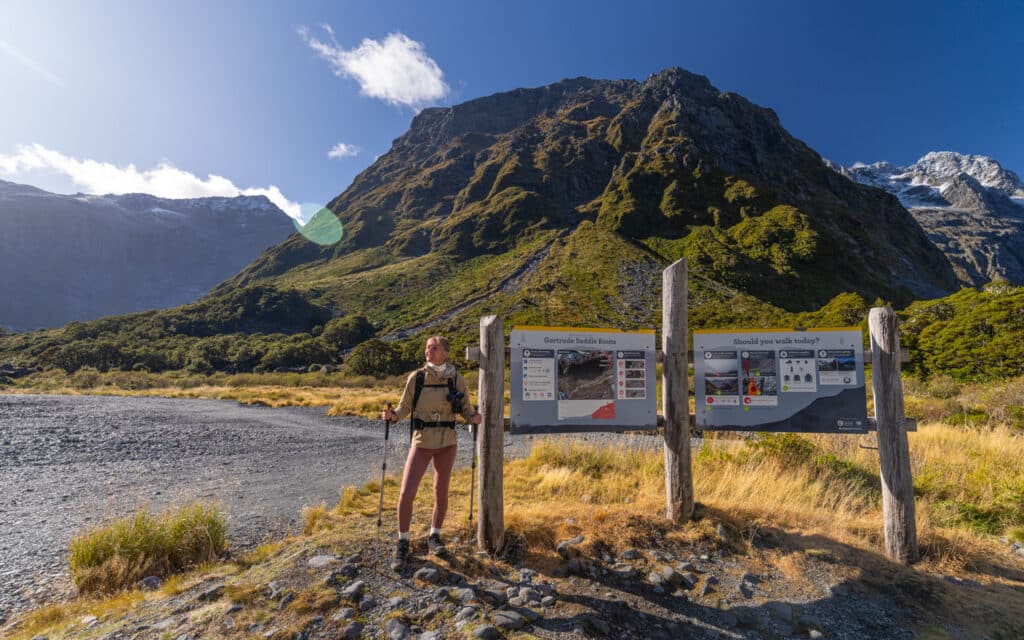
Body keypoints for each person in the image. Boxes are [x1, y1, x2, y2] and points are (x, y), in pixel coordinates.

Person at [381, 336, 481, 569]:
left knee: (440, 491)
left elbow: (465, 408)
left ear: (445, 353)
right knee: (406, 492)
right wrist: (393, 416)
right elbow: (404, 407)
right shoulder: (416, 378)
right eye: (427, 347)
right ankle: (403, 541)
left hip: (447, 442)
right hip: (422, 441)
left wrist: (473, 417)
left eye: (434, 348)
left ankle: (434, 536)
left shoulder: (456, 378)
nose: (428, 351)